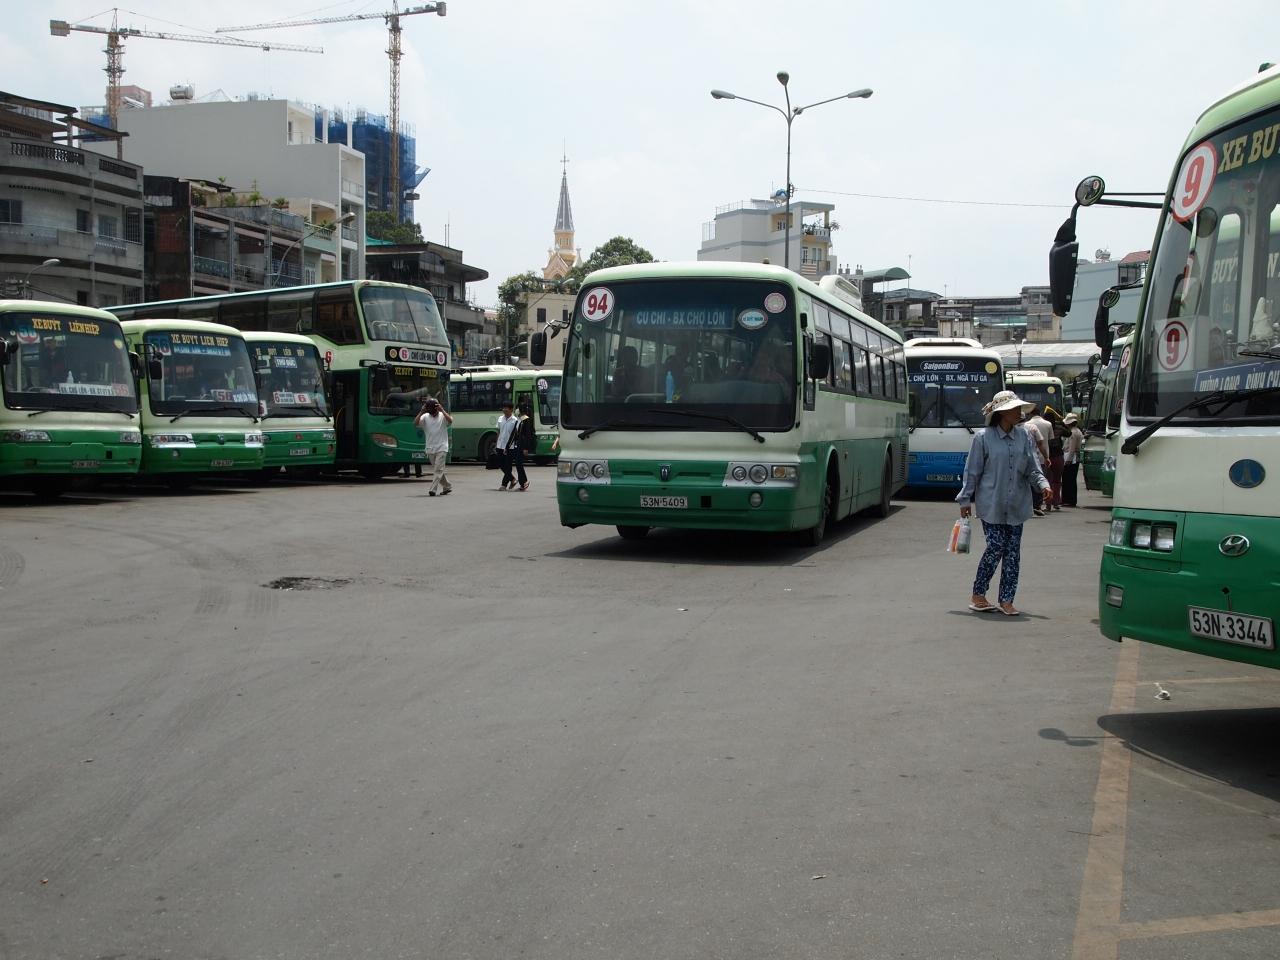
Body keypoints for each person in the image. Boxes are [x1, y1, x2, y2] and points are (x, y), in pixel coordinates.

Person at [956, 390, 1052, 616]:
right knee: (996, 547)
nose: (1019, 412)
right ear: (1002, 413)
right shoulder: (982, 438)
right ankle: (978, 594)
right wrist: (965, 499)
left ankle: (1007, 600)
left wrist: (1044, 485)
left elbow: (1032, 468)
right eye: (1014, 408)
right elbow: (972, 472)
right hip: (991, 504)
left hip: (1017, 504)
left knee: (1013, 553)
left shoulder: (1024, 436)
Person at [414, 398, 453, 496]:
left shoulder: (442, 416)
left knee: (438, 470)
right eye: (429, 409)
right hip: (430, 448)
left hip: (442, 447)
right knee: (438, 470)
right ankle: (447, 486)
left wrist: (442, 410)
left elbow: (450, 421)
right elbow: (415, 423)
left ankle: (433, 489)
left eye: (433, 408)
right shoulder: (425, 416)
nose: (431, 411)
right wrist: (421, 411)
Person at [1024, 405, 1053, 516]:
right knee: (1040, 479)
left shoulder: (1026, 426)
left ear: (1029, 414)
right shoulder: (1047, 424)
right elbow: (1045, 442)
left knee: (1028, 481)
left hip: (1026, 458)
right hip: (1041, 458)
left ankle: (1030, 504)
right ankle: (1037, 504)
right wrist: (1047, 457)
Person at [495, 400, 528, 491]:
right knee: (501, 464)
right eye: (503, 408)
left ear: (511, 409)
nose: (504, 410)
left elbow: (515, 434)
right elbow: (498, 431)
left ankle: (504, 485)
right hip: (500, 445)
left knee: (508, 465)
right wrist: (496, 443)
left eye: (506, 408)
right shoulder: (500, 418)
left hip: (510, 446)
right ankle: (512, 479)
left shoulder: (515, 420)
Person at [1042, 406, 1066, 511]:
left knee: (1047, 481)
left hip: (1048, 456)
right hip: (1058, 456)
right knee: (1057, 480)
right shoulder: (1059, 428)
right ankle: (1056, 502)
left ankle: (1048, 503)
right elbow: (1068, 433)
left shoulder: (1044, 427)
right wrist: (1062, 422)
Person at [1061, 412, 1084, 507]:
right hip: (1075, 457)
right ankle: (1071, 500)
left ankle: (1067, 500)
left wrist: (1068, 459)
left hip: (1070, 457)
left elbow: (1072, 448)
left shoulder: (1072, 433)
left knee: (1067, 479)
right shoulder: (1078, 431)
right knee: (1072, 479)